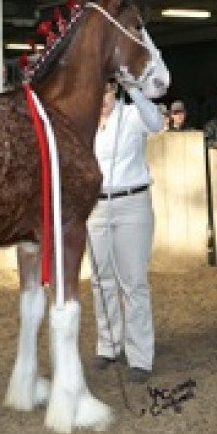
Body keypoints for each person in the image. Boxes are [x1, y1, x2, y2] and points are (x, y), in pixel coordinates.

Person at [87, 80, 164, 384]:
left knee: (133, 282)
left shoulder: (132, 115)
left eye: (106, 91)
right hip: (95, 206)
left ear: (114, 91)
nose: (102, 98)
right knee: (100, 279)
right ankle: (109, 345)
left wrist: (135, 89)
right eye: (98, 92)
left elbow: (156, 122)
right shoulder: (87, 123)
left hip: (132, 204)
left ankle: (140, 355)